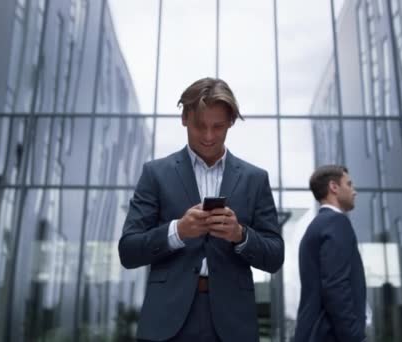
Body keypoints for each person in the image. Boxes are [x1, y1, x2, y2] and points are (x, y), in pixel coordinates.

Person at [118, 77, 284, 342]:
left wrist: (240, 235)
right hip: (167, 321)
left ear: (231, 122)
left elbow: (275, 256)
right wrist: (178, 231)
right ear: (184, 118)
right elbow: (128, 251)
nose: (208, 136)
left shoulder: (256, 179)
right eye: (199, 126)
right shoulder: (155, 174)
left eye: (218, 127)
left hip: (233, 323)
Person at [294, 165, 366, 342]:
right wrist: (353, 336)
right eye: (349, 184)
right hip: (331, 335)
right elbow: (336, 286)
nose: (354, 191)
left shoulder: (316, 227)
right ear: (334, 187)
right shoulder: (336, 223)